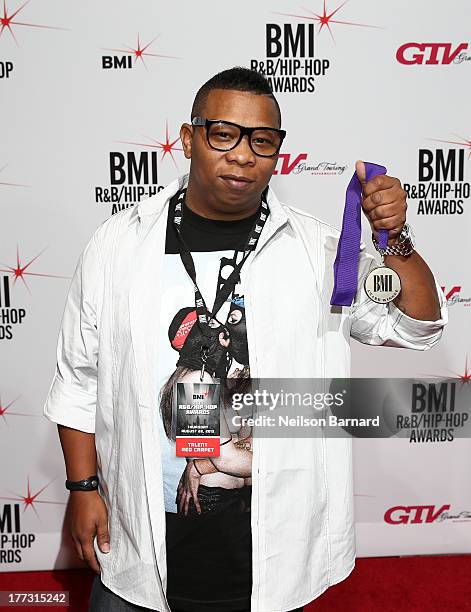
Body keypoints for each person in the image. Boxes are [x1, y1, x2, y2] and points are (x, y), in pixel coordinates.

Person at [43, 67, 448, 612]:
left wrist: (393, 237)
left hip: (274, 559)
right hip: (138, 553)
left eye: (262, 140)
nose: (242, 154)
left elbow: (415, 326)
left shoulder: (317, 251)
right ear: (188, 140)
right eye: (223, 134)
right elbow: (78, 380)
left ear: (278, 151)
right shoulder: (118, 246)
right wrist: (83, 488)